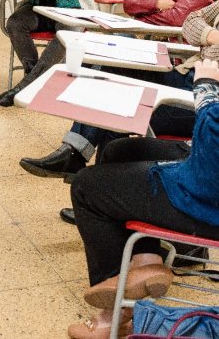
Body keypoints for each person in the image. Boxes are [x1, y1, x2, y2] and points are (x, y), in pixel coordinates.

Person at [19, 0, 217, 190]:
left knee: (110, 76)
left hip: (170, 58)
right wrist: (156, 3)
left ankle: (76, 156)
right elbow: (130, 1)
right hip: (142, 45)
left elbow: (179, 21)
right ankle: (89, 179)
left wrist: (146, 10)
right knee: (104, 70)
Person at [67, 58, 219, 339]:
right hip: (205, 170)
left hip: (207, 201)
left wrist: (207, 86)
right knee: (120, 151)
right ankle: (146, 260)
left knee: (86, 187)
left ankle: (113, 316)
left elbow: (212, 154)